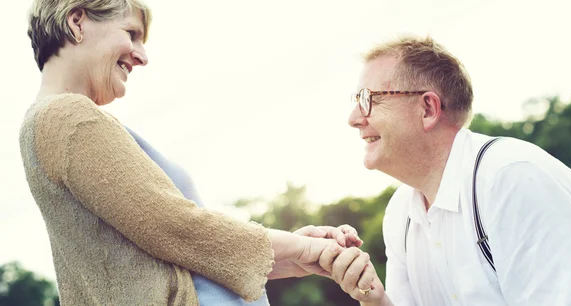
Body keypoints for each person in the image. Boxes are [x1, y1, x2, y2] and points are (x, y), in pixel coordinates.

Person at [20, 0, 361, 305]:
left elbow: (177, 254)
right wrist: (305, 249)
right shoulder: (67, 118)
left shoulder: (50, 121)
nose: (142, 55)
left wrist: (294, 256)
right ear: (77, 22)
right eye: (131, 33)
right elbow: (176, 227)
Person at [321, 35, 571, 305]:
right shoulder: (400, 212)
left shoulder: (511, 178)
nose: (354, 119)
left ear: (428, 109)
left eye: (369, 98)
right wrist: (373, 298)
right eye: (356, 100)